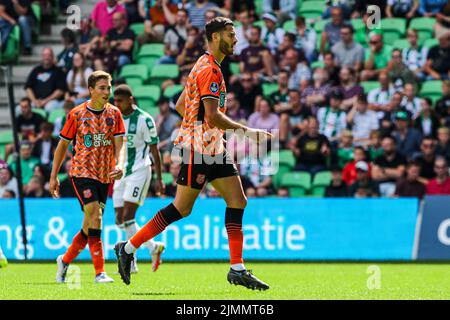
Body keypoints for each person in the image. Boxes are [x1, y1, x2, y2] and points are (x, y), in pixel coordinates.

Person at [114, 17, 271, 290]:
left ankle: (237, 269)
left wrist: (196, 125)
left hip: (213, 148)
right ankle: (128, 248)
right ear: (214, 37)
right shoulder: (210, 70)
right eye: (230, 34)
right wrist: (249, 132)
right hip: (198, 151)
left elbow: (180, 104)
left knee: (238, 200)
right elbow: (211, 116)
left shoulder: (201, 64)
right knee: (181, 209)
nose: (235, 39)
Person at [50, 70, 126, 284]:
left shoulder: (115, 114)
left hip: (104, 175)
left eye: (109, 88)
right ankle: (99, 272)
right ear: (91, 90)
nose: (107, 92)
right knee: (96, 215)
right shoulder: (76, 114)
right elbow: (62, 145)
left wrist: (119, 164)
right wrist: (53, 176)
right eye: (102, 88)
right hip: (82, 172)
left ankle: (64, 260)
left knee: (89, 224)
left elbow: (119, 144)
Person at [112, 84, 165, 274]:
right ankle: (153, 247)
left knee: (128, 216)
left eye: (120, 100)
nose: (117, 104)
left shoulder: (144, 120)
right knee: (119, 219)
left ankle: (130, 259)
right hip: (121, 173)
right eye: (115, 100)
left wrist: (159, 179)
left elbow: (154, 150)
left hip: (140, 171)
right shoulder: (113, 119)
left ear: (131, 100)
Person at [25, 47, 67, 112]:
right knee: (20, 109)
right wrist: (35, 101)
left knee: (48, 108)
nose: (46, 57)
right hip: (36, 100)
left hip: (52, 101)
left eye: (49, 55)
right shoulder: (36, 70)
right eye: (44, 55)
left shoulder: (59, 71)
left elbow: (60, 91)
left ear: (52, 57)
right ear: (42, 57)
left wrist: (45, 101)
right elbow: (28, 88)